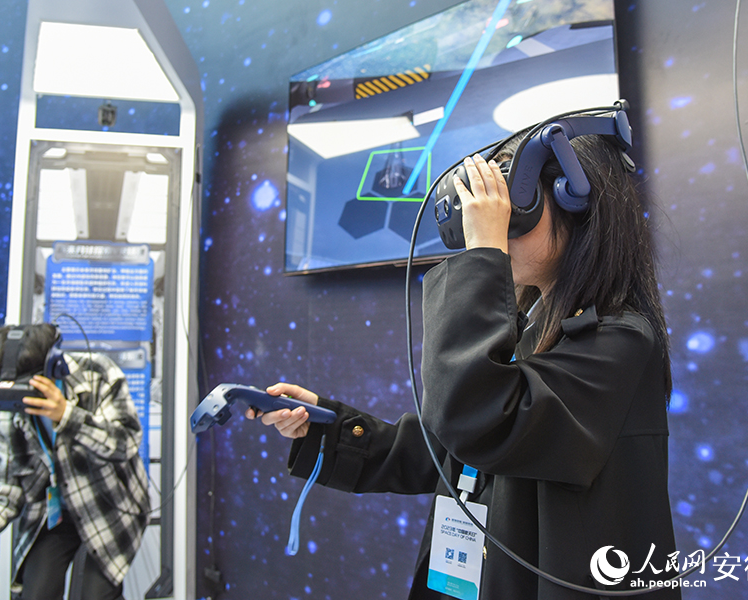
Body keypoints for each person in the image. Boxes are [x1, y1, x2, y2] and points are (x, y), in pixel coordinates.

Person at [249, 125, 681, 599]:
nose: (498, 229)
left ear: (575, 201)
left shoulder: (619, 340)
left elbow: (479, 422)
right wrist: (325, 424)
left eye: (513, 211)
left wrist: (484, 253)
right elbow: (446, 449)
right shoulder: (530, 327)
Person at [0, 323, 149, 600]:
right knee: (35, 593)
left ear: (54, 367)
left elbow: (126, 442)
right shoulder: (8, 409)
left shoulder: (98, 373)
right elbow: (2, 493)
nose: (16, 399)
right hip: (53, 513)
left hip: (109, 505)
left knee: (94, 594)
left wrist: (68, 416)